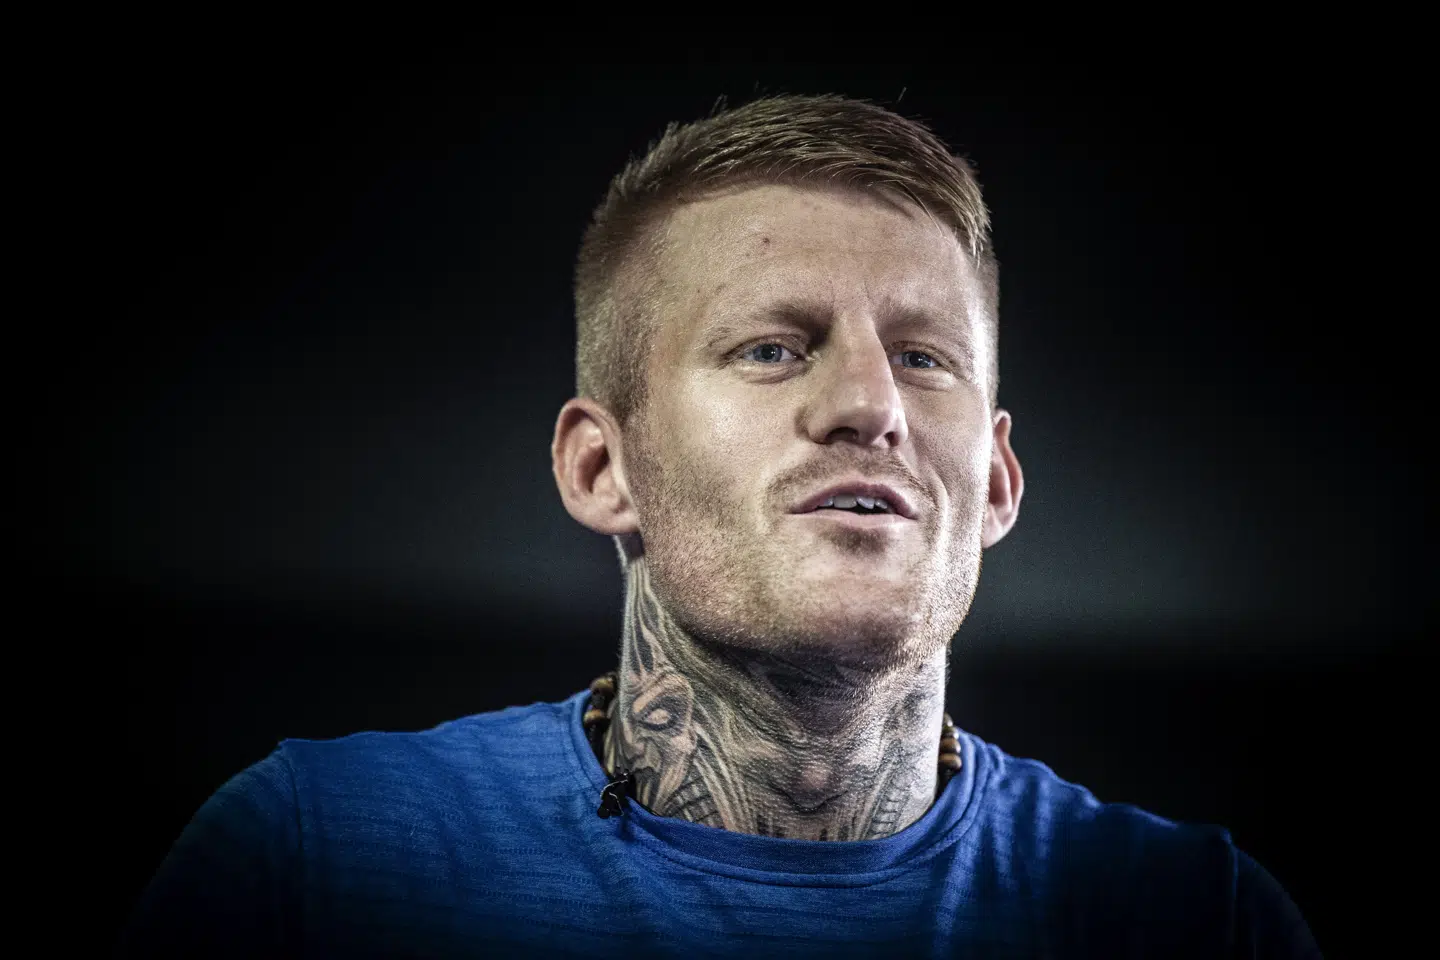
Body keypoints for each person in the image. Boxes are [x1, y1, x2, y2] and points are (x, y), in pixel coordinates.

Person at [118, 94, 1320, 958]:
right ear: (604, 468)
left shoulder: (1194, 919)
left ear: (997, 482)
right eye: (771, 349)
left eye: (924, 357)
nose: (870, 405)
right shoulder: (315, 862)